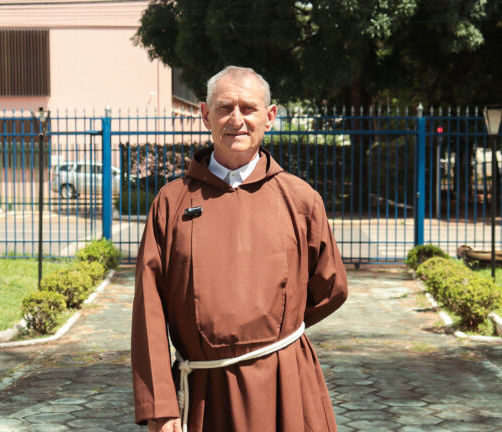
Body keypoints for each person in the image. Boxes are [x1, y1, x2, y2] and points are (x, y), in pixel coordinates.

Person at [131, 65, 348, 432]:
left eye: (248, 108)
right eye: (224, 107)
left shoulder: (300, 199)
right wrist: (161, 405)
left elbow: (331, 287)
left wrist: (276, 330)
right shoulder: (170, 203)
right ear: (205, 115)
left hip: (284, 383)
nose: (237, 120)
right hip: (204, 391)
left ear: (270, 116)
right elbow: (149, 312)